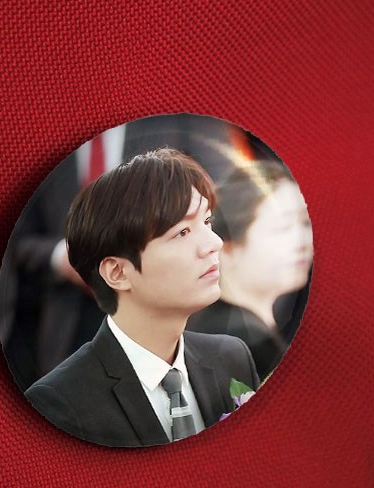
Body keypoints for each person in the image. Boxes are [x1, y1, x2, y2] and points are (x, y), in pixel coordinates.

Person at [25, 148, 259, 447]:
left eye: (207, 222)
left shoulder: (232, 357)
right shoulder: (60, 402)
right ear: (118, 272)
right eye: (182, 232)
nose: (214, 243)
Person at [188, 162, 313, 380]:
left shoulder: (211, 328)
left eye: (305, 223)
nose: (302, 242)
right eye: (283, 227)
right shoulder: (244, 343)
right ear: (227, 248)